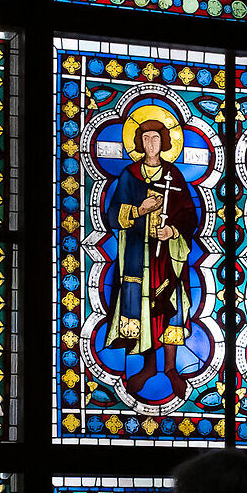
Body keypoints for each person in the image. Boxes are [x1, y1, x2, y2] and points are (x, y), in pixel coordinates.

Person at [104, 107, 201, 393]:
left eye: (156, 138)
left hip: (169, 256)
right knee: (143, 306)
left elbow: (189, 214)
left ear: (164, 142)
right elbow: (112, 215)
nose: (151, 144)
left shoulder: (174, 175)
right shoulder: (130, 175)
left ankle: (171, 367)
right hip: (138, 255)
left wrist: (172, 231)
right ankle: (149, 365)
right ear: (138, 142)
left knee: (170, 304)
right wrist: (139, 209)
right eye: (146, 138)